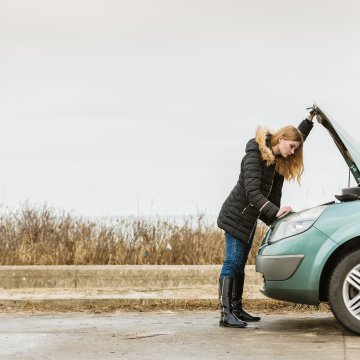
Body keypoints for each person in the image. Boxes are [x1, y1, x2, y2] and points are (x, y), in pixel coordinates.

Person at [217, 111, 316, 328]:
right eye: (291, 147)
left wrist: (308, 122)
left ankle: (236, 308)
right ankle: (226, 314)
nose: (292, 152)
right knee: (232, 262)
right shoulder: (254, 156)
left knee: (240, 264)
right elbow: (252, 192)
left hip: (249, 217)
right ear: (280, 140)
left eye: (295, 149)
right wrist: (275, 211)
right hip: (236, 215)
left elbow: (296, 137)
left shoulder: (277, 156)